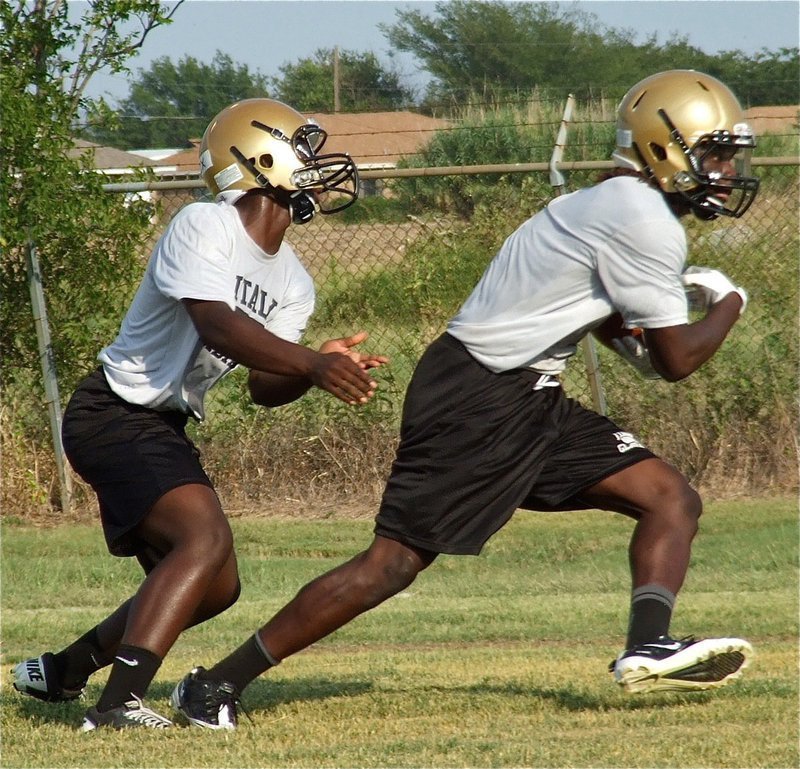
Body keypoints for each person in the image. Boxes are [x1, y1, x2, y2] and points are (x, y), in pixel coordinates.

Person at [168, 69, 761, 730]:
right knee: (390, 565)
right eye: (716, 153)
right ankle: (214, 684)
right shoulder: (643, 216)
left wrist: (641, 333)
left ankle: (646, 647)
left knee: (670, 496)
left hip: (525, 390)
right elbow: (677, 360)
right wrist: (731, 302)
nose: (727, 170)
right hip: (480, 394)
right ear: (664, 147)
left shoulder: (610, 201)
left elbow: (606, 324)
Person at [11, 98, 387, 730]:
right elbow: (215, 321)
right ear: (257, 153)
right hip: (113, 409)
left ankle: (67, 670)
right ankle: (114, 708)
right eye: (306, 150)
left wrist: (311, 367)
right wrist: (310, 364)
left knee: (217, 588)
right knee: (202, 540)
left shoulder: (294, 281)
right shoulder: (204, 224)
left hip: (162, 425)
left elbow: (265, 386)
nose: (318, 167)